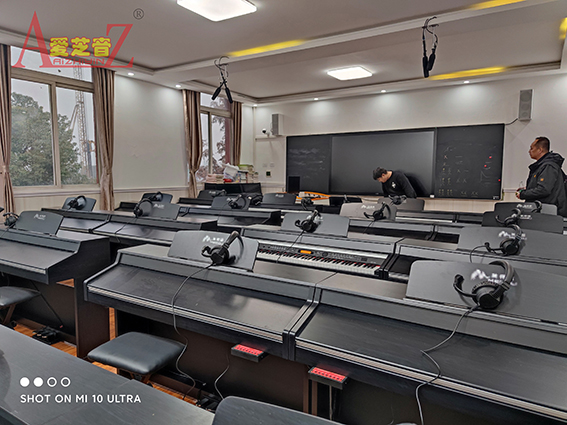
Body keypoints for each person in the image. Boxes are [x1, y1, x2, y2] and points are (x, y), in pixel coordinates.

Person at [516, 136, 567, 216]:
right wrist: (528, 188)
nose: (529, 151)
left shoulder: (548, 166)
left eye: (531, 148)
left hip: (549, 213)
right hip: (543, 211)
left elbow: (544, 190)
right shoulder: (542, 166)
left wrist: (523, 194)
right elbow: (546, 185)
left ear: (540, 150)